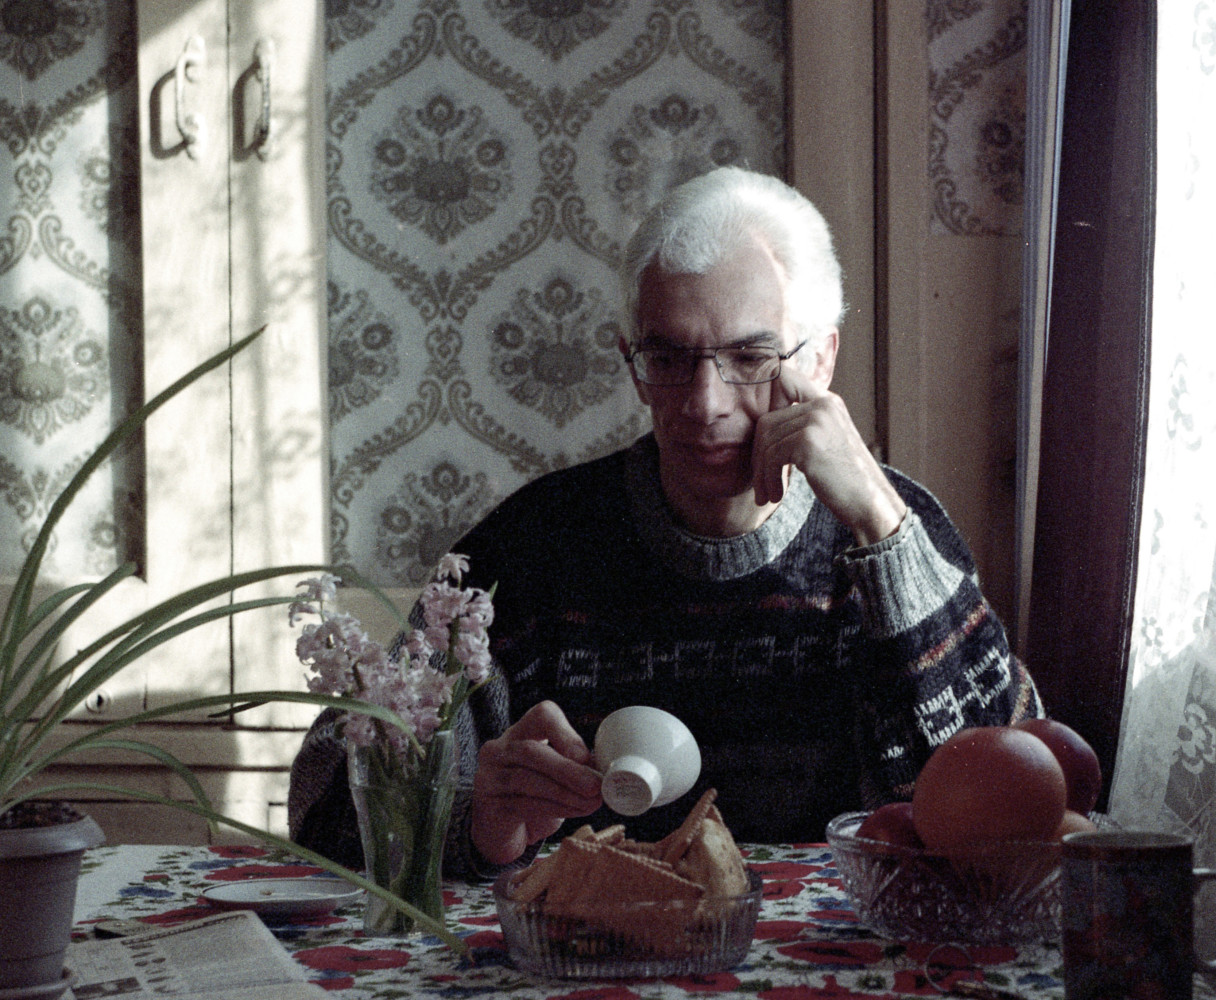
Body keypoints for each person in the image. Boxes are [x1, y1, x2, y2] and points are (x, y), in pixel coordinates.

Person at [288, 166, 1040, 876]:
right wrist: (472, 823)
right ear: (631, 361)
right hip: (595, 942)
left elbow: (1018, 805)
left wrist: (882, 525)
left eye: (750, 356)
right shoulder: (537, 543)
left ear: (820, 361)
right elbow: (322, 801)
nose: (704, 403)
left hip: (834, 949)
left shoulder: (898, 532)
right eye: (669, 358)